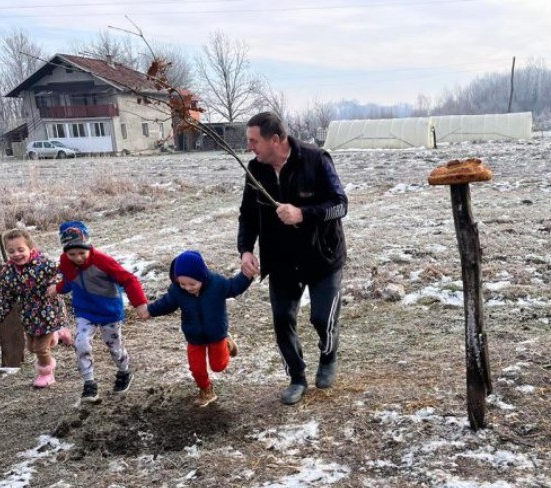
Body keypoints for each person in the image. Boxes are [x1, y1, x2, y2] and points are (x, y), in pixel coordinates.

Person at [238, 111, 348, 405]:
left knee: (322, 318)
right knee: (282, 320)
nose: (249, 146)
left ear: (275, 140)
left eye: (253, 140)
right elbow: (247, 215)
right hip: (282, 260)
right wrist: (246, 249)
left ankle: (328, 355)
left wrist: (303, 213)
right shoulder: (255, 170)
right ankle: (297, 377)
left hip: (322, 256)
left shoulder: (316, 159)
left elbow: (340, 205)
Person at [47, 221, 149, 403]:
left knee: (114, 347)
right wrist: (58, 288)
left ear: (89, 247)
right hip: (85, 312)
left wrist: (140, 304)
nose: (77, 258)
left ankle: (125, 371)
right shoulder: (65, 262)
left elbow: (129, 280)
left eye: (81, 253)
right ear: (65, 251)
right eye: (72, 254)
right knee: (81, 344)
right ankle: (89, 384)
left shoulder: (103, 261)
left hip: (109, 311)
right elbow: (71, 281)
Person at [147, 250, 253, 407]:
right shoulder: (177, 291)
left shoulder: (217, 284)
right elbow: (166, 304)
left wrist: (246, 276)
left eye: (192, 284)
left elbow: (234, 287)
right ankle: (206, 390)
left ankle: (227, 343)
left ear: (202, 277)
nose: (187, 288)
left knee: (219, 366)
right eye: (183, 284)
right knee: (197, 368)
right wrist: (149, 310)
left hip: (216, 333)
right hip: (193, 336)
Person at [0, 228, 65, 388]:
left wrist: (55, 284)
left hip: (49, 311)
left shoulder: (43, 264)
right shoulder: (8, 273)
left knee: (40, 348)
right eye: (11, 251)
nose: (16, 254)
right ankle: (54, 335)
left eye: (20, 249)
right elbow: (6, 298)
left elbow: (61, 273)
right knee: (31, 347)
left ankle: (46, 374)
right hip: (29, 315)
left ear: (30, 248)